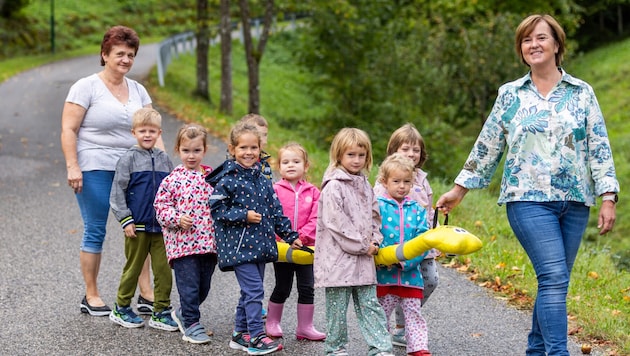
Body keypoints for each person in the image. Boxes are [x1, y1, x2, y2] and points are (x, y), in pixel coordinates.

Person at [435, 14, 619, 356]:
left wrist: (608, 196)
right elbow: (488, 144)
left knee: (554, 282)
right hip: (527, 200)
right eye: (526, 40)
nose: (533, 45)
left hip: (575, 201)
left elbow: (599, 145)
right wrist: (459, 190)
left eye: (541, 38)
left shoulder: (581, 93)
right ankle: (557, 352)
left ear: (557, 44)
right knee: (553, 277)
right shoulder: (510, 95)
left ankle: (536, 350)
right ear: (521, 49)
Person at [60, 25, 159, 316]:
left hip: (135, 168)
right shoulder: (85, 86)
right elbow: (68, 128)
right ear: (105, 55)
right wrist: (72, 166)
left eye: (130, 55)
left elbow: (152, 128)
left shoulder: (138, 90)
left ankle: (146, 293)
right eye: (119, 54)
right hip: (94, 167)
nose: (125, 59)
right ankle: (91, 295)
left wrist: (163, 168)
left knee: (141, 229)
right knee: (96, 229)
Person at [206, 122, 303, 355]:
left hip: (260, 245)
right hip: (239, 247)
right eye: (243, 148)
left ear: (260, 149)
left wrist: (290, 236)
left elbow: (276, 210)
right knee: (254, 290)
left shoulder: (262, 179)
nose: (248, 153)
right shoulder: (227, 179)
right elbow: (216, 209)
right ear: (232, 149)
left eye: (253, 148)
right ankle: (257, 337)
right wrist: (243, 216)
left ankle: (240, 334)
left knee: (249, 291)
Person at [314, 127, 394, 356]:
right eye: (351, 155)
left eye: (361, 155)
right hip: (338, 261)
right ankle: (336, 348)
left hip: (364, 259)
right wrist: (361, 245)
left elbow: (374, 215)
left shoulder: (365, 185)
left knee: (370, 304)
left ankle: (380, 348)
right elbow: (337, 223)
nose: (356, 160)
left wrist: (376, 239)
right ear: (339, 155)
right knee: (337, 309)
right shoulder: (333, 186)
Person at [108, 108, 177, 330]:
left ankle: (161, 311)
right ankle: (121, 307)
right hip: (136, 227)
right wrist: (125, 220)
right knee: (134, 268)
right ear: (133, 132)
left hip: (162, 228)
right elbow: (117, 192)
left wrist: (175, 218)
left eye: (152, 131)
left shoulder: (165, 159)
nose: (147, 135)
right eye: (142, 131)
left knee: (163, 270)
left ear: (159, 133)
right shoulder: (128, 159)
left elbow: (173, 190)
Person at [373, 123, 438, 347]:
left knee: (430, 279)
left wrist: (432, 238)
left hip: (421, 243)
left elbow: (428, 212)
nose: (411, 153)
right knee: (386, 295)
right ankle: (388, 335)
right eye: (405, 149)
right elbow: (376, 215)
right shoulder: (383, 182)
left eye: (416, 149)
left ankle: (403, 325)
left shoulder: (422, 179)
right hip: (393, 248)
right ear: (393, 151)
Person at [153, 124, 217, 344]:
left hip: (209, 245)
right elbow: (160, 208)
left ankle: (184, 313)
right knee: (189, 287)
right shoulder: (172, 180)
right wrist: (177, 219)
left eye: (196, 150)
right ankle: (191, 324)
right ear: (178, 150)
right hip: (183, 246)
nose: (191, 155)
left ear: (204, 150)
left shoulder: (212, 179)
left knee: (203, 287)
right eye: (186, 150)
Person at [266, 142, 326, 341]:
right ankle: (272, 322)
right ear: (279, 166)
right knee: (282, 286)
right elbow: (272, 216)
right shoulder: (274, 190)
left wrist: (300, 236)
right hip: (282, 248)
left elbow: (317, 218)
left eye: (296, 161)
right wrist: (286, 237)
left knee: (307, 287)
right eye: (285, 162)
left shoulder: (313, 192)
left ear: (306, 166)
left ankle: (305, 327)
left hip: (306, 248)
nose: (290, 165)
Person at [239, 113, 273, 180]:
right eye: (259, 134)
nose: (263, 139)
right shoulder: (241, 160)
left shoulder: (264, 163)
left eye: (265, 135)